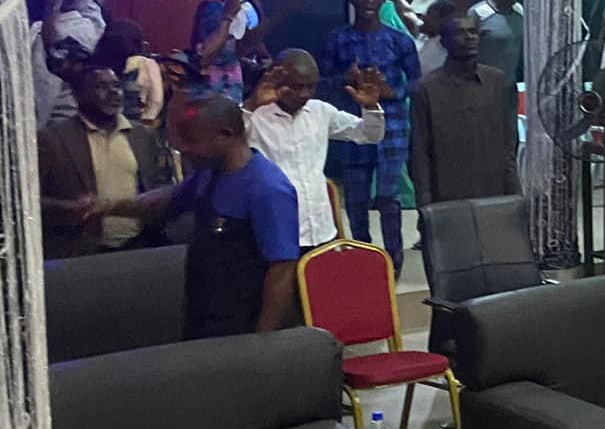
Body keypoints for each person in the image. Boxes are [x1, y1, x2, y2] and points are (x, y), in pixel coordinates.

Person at [97, 97, 301, 338]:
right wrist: (105, 208)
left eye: (193, 140)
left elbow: (282, 270)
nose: (184, 149)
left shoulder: (267, 189)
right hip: (203, 313)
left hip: (241, 324)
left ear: (226, 134)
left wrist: (263, 340)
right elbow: (166, 200)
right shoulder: (209, 173)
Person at [320, 0, 421, 267]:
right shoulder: (337, 39)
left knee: (388, 197)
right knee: (355, 198)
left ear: (381, 1)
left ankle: (393, 260)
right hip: (353, 126)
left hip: (392, 127)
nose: (368, 1)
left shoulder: (399, 40)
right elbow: (320, 82)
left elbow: (417, 81)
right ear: (353, 0)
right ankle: (363, 257)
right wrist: (345, 80)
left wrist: (393, 92)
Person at [246, 49, 388, 253]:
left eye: (310, 86)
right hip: (277, 230)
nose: (304, 94)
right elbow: (227, 141)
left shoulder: (320, 111)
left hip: (321, 229)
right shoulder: (255, 116)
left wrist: (371, 107)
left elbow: (369, 135)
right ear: (277, 79)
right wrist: (252, 104)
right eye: (297, 86)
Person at [38, 66, 175, 258]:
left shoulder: (142, 136)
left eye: (116, 85)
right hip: (80, 252)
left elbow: (162, 187)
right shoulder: (53, 140)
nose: (113, 92)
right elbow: (30, 200)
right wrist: (68, 208)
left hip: (140, 247)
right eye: (101, 86)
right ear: (78, 96)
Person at [411, 13, 518, 207]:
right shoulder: (427, 88)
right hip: (447, 190)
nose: (469, 38)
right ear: (444, 42)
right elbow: (419, 148)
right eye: (460, 33)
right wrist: (423, 195)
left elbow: (509, 137)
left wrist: (512, 184)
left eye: (473, 32)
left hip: (493, 186)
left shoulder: (496, 81)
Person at [190, 0, 275, 102]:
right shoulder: (212, 9)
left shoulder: (251, 7)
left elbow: (254, 37)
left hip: (243, 79)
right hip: (216, 81)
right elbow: (206, 50)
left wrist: (265, 57)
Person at [468, 0, 524, 124]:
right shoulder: (478, 14)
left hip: (509, 87)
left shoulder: (519, 11)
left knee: (509, 131)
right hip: (482, 87)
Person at [94, 18, 162, 125]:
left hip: (102, 126)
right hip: (135, 127)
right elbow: (156, 100)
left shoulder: (94, 66)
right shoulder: (146, 64)